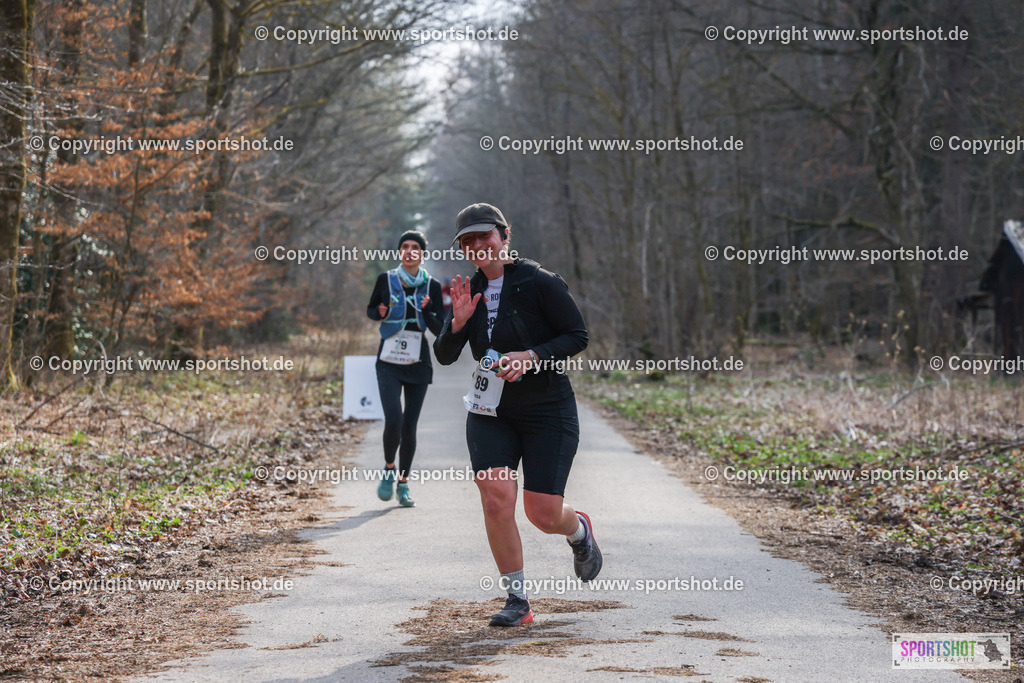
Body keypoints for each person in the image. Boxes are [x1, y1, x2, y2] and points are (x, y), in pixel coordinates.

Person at [433, 202, 601, 627]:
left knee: (543, 514)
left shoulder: (539, 281)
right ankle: (517, 598)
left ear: (504, 236)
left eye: (484, 235)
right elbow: (445, 356)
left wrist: (532, 355)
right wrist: (457, 324)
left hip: (547, 409)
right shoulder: (467, 290)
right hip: (491, 411)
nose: (477, 245)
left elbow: (577, 335)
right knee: (495, 497)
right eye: (467, 240)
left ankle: (579, 531)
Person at [366, 230, 445, 507]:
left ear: (422, 253)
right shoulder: (385, 279)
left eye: (415, 247)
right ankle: (389, 469)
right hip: (388, 358)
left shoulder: (432, 286)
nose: (409, 251)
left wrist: (428, 310)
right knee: (394, 419)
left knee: (410, 425)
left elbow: (440, 327)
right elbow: (371, 310)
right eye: (405, 247)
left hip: (418, 360)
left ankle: (403, 483)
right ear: (399, 251)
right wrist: (380, 312)